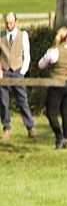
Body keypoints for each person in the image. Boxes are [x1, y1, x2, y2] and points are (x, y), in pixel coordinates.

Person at [1, 12, 36, 140]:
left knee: (23, 100)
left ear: (16, 22)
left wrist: (22, 71)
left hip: (17, 70)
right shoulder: (1, 35)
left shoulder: (23, 35)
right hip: (4, 71)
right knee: (4, 102)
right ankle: (6, 128)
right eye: (7, 23)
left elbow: (26, 54)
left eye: (11, 23)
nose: (9, 25)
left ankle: (30, 127)